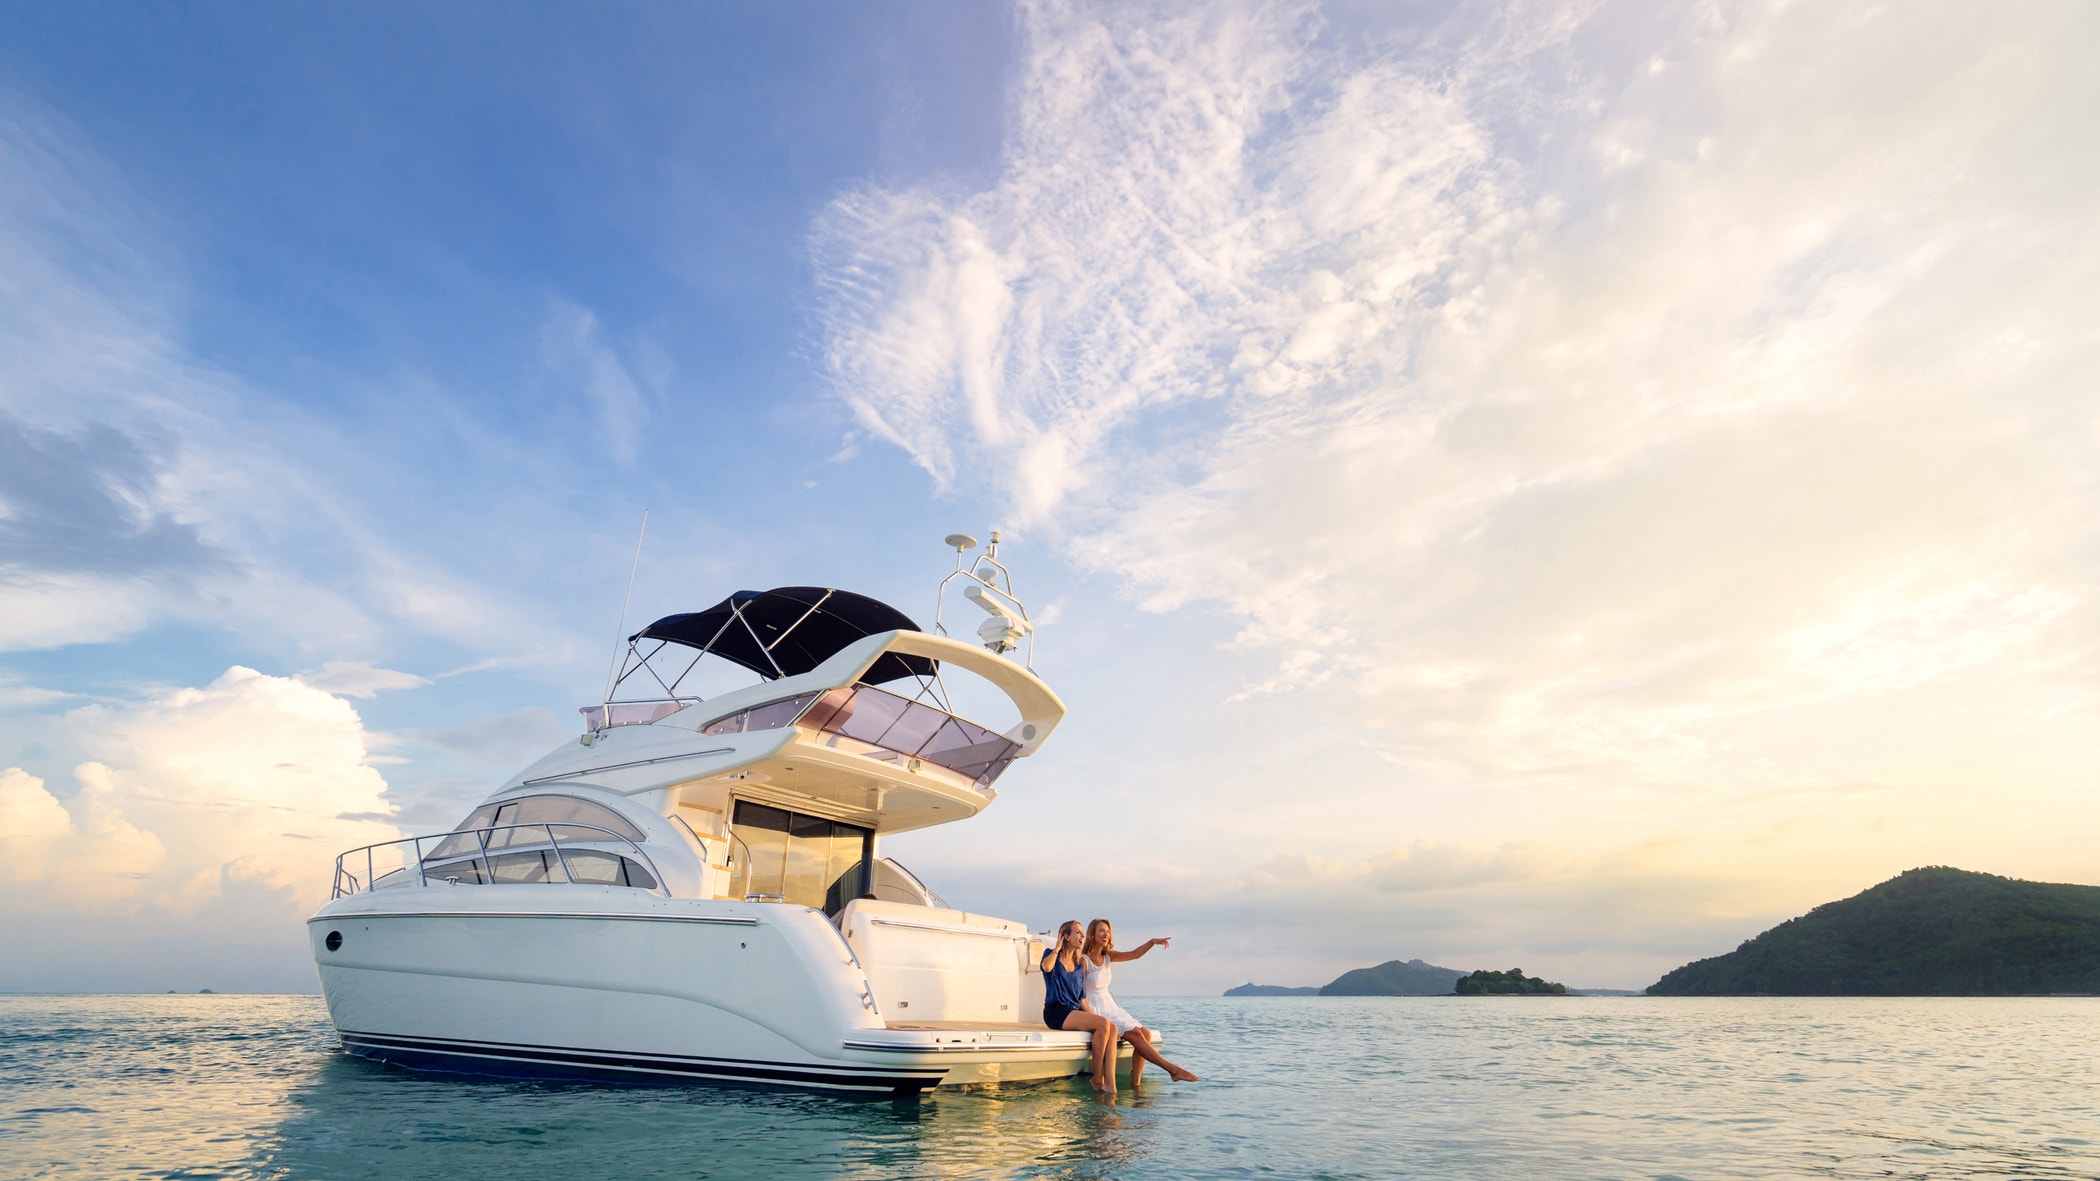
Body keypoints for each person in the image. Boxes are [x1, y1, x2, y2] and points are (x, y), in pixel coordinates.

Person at [1082, 918, 1198, 1087]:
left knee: (1146, 1034)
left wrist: (1152, 942)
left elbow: (1135, 954)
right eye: (1101, 930)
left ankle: (1135, 1085)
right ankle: (1173, 1070)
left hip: (1109, 1004)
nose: (1105, 934)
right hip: (1095, 1007)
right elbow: (1076, 989)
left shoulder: (1108, 956)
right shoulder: (1084, 960)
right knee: (1136, 1035)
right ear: (1092, 935)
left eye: (1107, 931)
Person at [1041, 919, 1120, 1093]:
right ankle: (1097, 1078)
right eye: (1077, 932)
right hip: (1056, 1012)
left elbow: (1082, 999)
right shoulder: (1050, 955)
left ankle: (1110, 1084)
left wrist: (1096, 1019)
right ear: (1066, 936)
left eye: (1082, 933)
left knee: (1111, 1028)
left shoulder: (1078, 966)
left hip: (1074, 1011)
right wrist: (1056, 948)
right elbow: (1046, 968)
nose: (1082, 936)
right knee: (1103, 1024)